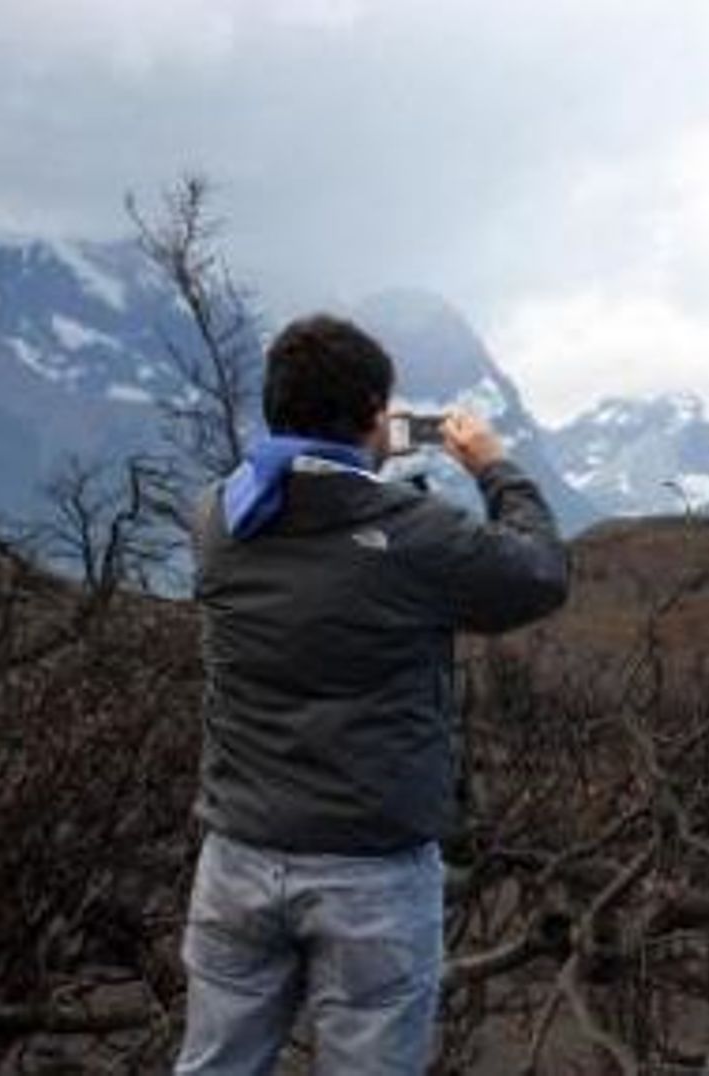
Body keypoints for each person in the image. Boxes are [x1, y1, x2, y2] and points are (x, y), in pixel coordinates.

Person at [173, 313, 569, 1074]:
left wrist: (361, 452)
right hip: (372, 871)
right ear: (371, 415)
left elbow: (315, 513)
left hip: (238, 855)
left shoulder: (217, 518)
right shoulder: (414, 532)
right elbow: (540, 573)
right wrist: (494, 467)